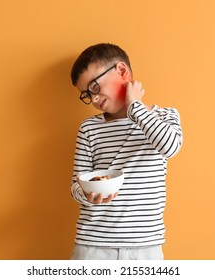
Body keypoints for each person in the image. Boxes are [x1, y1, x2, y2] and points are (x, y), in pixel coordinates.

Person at [69, 43, 183, 260]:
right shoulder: (89, 129)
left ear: (122, 71)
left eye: (94, 87)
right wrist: (86, 194)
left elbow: (170, 146)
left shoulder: (165, 116)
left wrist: (135, 106)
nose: (92, 99)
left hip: (145, 246)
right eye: (86, 94)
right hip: (94, 245)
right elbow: (75, 184)